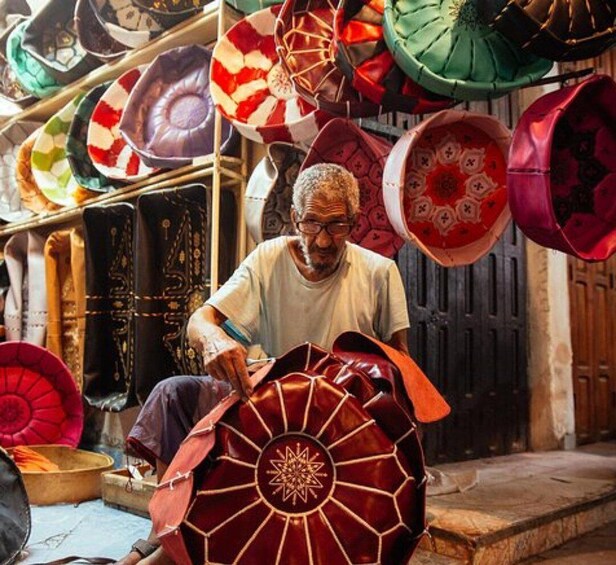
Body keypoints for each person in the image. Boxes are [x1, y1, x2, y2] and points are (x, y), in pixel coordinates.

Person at [118, 163, 411, 565]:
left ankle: (171, 550)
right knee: (173, 395)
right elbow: (199, 322)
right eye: (311, 223)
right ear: (294, 219)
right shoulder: (268, 258)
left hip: (341, 416)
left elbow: (399, 369)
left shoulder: (380, 273)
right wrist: (215, 340)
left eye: (337, 225)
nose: (323, 239)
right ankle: (167, 528)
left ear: (355, 223)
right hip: (270, 400)